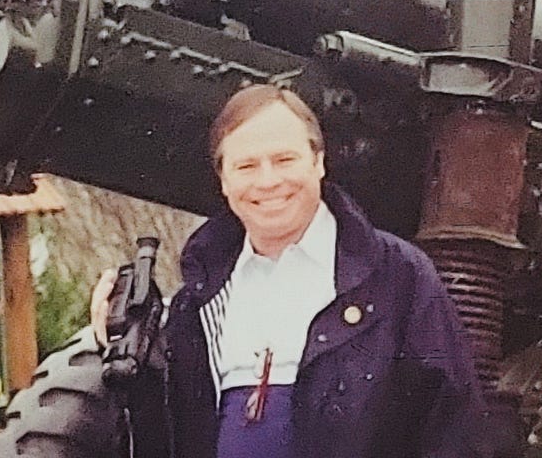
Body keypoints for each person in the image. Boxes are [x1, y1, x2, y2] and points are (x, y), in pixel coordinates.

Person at [90, 84, 484, 458]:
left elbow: (453, 432)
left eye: (284, 159)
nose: (268, 181)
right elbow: (162, 442)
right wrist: (122, 351)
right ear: (223, 180)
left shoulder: (399, 276)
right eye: (246, 165)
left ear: (319, 162)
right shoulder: (197, 300)